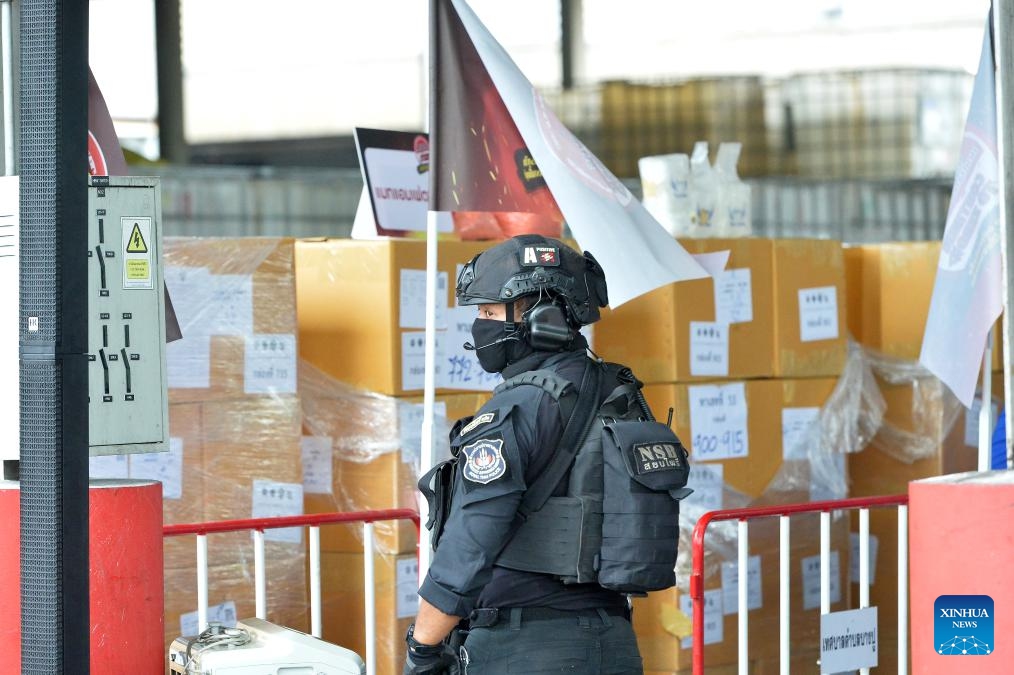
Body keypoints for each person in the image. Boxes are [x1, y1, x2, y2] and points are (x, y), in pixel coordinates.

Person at [404, 234, 644, 675]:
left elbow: (471, 541)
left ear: (541, 317)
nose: (480, 325)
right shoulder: (621, 393)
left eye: (489, 311)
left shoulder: (518, 408)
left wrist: (423, 645)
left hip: (525, 649)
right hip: (615, 643)